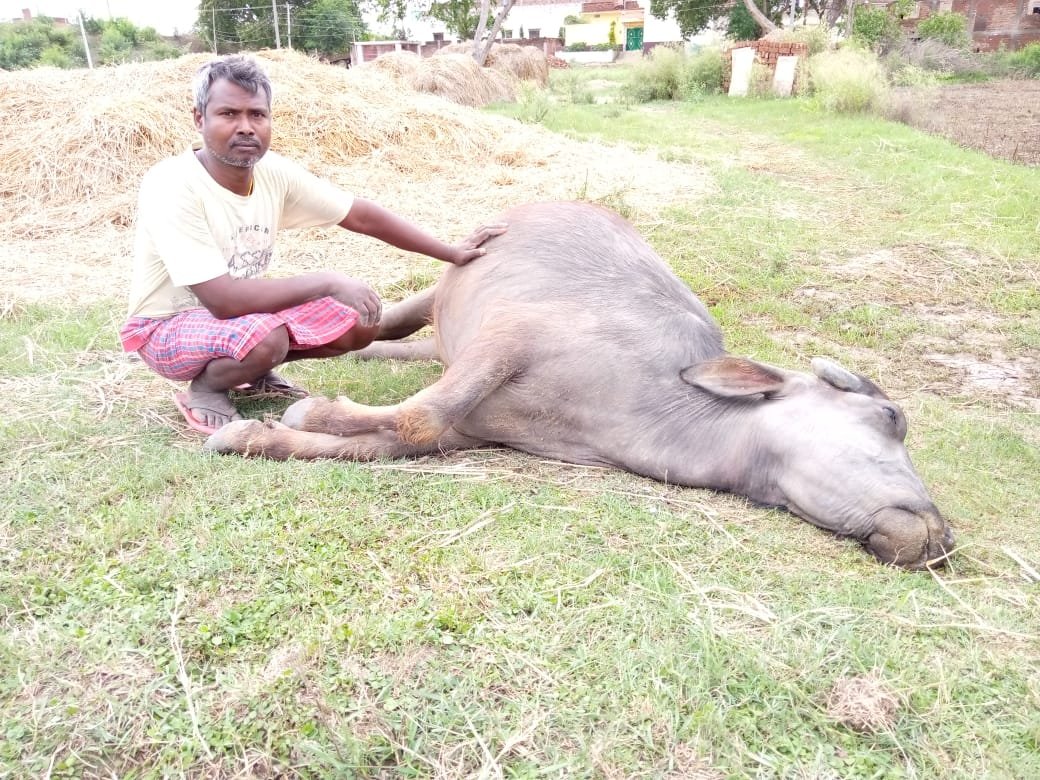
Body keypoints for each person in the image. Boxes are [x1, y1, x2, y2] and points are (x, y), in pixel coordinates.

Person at [120, 54, 504, 435]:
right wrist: (327, 282)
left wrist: (449, 252)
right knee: (267, 335)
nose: (246, 127)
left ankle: (253, 371)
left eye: (257, 114)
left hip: (235, 322)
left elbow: (360, 215)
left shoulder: (272, 174)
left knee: (357, 319)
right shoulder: (172, 184)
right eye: (228, 114)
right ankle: (205, 389)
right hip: (164, 327)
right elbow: (222, 300)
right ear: (199, 118)